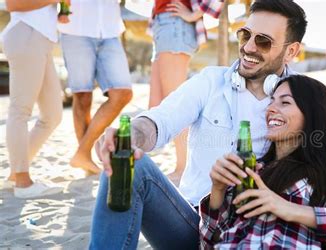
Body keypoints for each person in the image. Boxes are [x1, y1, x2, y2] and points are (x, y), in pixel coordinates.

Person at [90, 0, 306, 248]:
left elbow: (325, 165)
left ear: (291, 51)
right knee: (126, 161)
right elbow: (160, 120)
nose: (248, 47)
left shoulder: (304, 97)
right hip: (195, 223)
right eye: (245, 34)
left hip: (261, 233)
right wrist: (129, 138)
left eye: (263, 41)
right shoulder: (211, 81)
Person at [201, 75, 326, 249]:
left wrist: (289, 209)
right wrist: (217, 190)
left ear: (311, 115)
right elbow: (208, 242)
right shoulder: (256, 167)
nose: (271, 109)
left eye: (285, 102)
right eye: (271, 101)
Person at [148, 0, 223, 186]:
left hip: (174, 25)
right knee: (156, 105)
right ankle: (183, 165)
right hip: (163, 26)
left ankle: (184, 168)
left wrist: (194, 14)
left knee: (176, 106)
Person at [2, 0, 70, 198]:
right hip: (26, 34)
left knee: (52, 115)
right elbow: (12, 4)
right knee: (20, 110)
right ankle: (22, 181)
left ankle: (15, 174)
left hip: (41, 39)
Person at [58, 0, 133, 175]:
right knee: (82, 96)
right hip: (75, 28)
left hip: (110, 30)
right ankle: (85, 160)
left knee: (123, 93)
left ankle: (82, 153)